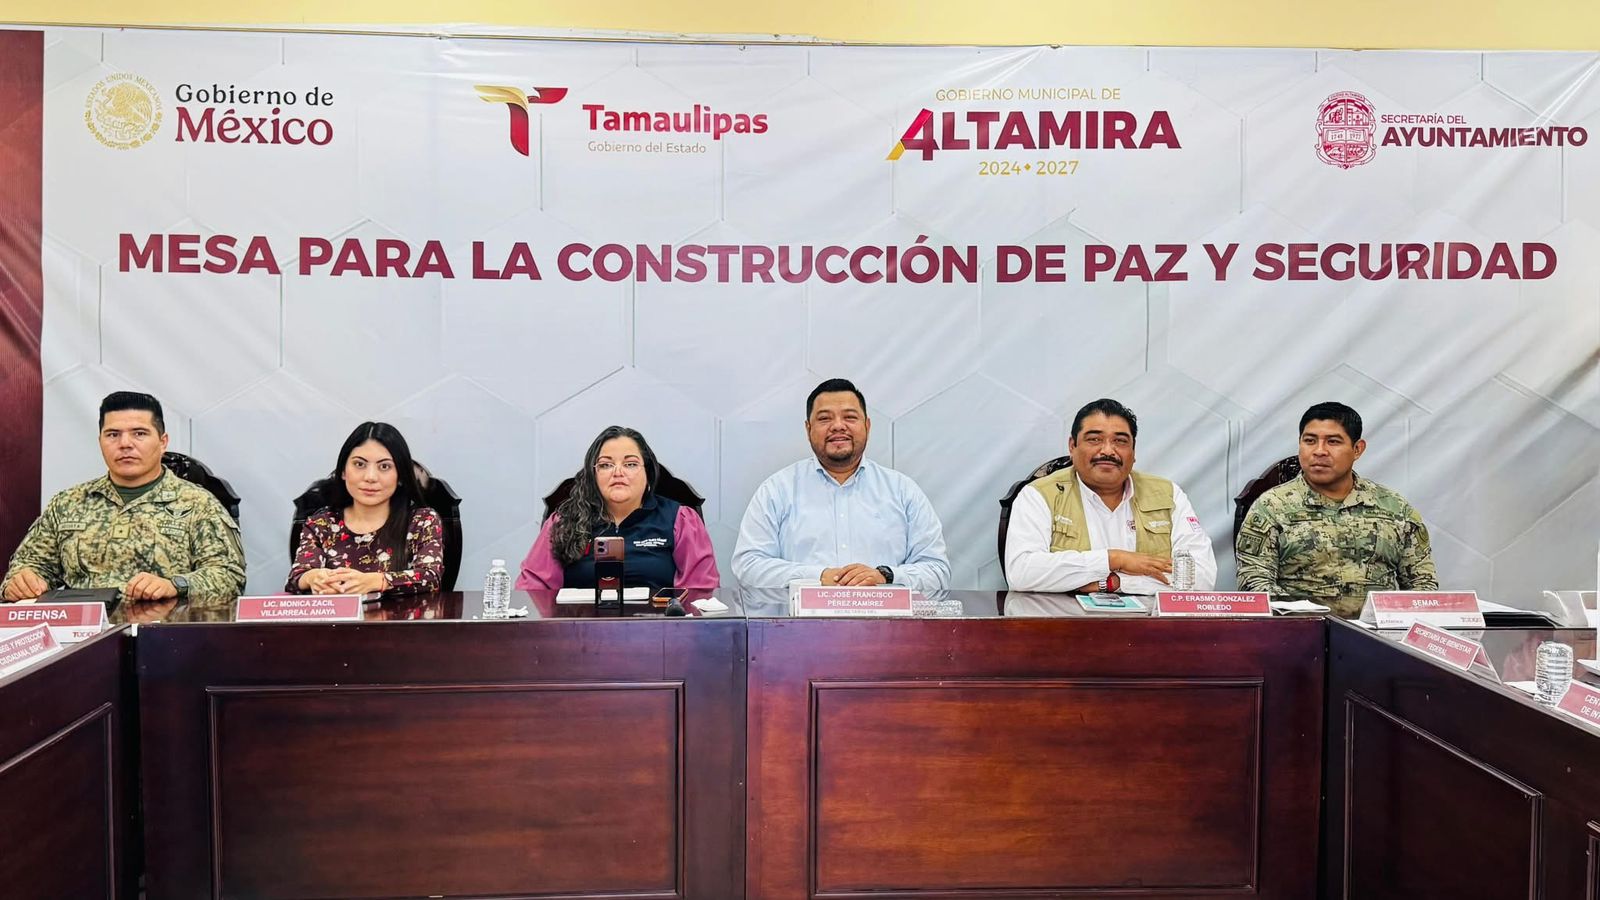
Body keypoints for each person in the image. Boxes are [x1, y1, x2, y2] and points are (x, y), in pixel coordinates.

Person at [2, 391, 245, 603]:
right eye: (112, 435)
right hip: (83, 633)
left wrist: (176, 585)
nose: (125, 444)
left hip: (162, 632)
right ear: (100, 441)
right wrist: (22, 581)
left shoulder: (198, 504)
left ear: (162, 442)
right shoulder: (68, 504)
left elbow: (229, 577)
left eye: (139, 433)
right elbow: (29, 565)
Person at [732, 378, 950, 592]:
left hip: (884, 616)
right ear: (808, 429)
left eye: (850, 417)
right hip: (799, 617)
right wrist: (818, 577)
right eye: (824, 418)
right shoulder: (777, 490)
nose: (838, 426)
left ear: (867, 426)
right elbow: (748, 566)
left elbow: (937, 571)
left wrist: (885, 576)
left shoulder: (903, 491)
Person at [1236, 401, 1438, 617]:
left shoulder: (1394, 508)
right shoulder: (1271, 506)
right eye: (1310, 441)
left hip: (1378, 633)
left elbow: (1422, 585)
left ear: (1357, 449)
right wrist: (1305, 621)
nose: (1319, 451)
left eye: (1333, 442)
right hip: (1301, 630)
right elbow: (1254, 584)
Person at [1004, 398, 1216, 594]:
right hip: (1065, 620)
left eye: (1120, 441)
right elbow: (1021, 573)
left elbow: (1202, 577)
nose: (1107, 451)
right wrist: (1114, 559)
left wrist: (1115, 583)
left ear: (1133, 451)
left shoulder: (1168, 495)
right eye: (1094, 439)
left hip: (1150, 621)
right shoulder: (1039, 495)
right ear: (1072, 446)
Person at [517, 425, 718, 592]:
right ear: (593, 475)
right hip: (578, 626)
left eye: (630, 464)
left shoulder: (680, 520)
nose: (618, 472)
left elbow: (700, 594)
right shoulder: (563, 521)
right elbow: (533, 592)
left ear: (648, 473)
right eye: (606, 465)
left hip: (658, 626)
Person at [287, 422, 444, 596]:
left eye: (384, 466)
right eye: (359, 464)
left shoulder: (422, 521)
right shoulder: (321, 524)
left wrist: (375, 581)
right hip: (338, 615)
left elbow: (430, 577)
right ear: (343, 471)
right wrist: (313, 578)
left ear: (400, 475)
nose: (370, 477)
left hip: (403, 614)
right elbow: (296, 577)